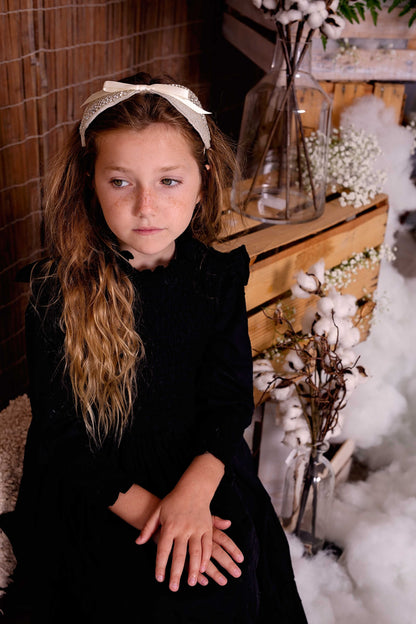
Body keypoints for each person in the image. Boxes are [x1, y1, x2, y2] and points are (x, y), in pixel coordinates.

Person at [1, 73, 307, 623]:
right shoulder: (56, 289)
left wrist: (192, 498)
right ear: (89, 181)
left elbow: (228, 399)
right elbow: (61, 434)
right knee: (145, 600)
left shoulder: (215, 280)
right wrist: (159, 515)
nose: (146, 206)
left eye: (169, 181)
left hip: (197, 463)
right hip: (102, 482)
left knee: (229, 586)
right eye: (121, 181)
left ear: (203, 177)